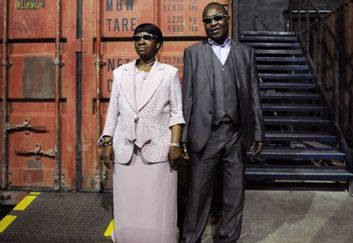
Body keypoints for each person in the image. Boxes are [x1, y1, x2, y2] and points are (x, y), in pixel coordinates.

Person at [180, 2, 264, 242]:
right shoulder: (193, 53)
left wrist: (258, 132)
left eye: (217, 18)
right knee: (198, 193)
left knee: (234, 192)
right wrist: (184, 135)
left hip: (236, 133)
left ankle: (228, 237)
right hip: (206, 133)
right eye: (207, 20)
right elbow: (188, 97)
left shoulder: (246, 53)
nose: (213, 23)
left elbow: (255, 95)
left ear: (227, 19)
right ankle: (190, 238)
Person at [99, 23, 185, 243]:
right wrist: (107, 141)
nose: (141, 42)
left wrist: (175, 145)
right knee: (128, 202)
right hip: (125, 148)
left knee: (157, 203)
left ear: (159, 44)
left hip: (158, 149)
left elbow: (177, 113)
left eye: (148, 37)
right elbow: (113, 112)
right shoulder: (120, 74)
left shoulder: (169, 74)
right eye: (137, 38)